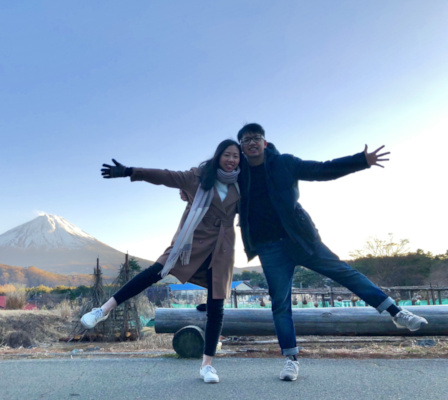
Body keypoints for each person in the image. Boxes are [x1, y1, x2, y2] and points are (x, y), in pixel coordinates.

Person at [235, 123, 428, 382]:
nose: (251, 142)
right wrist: (187, 191)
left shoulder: (284, 163)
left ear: (265, 142)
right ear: (241, 146)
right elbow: (212, 185)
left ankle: (397, 313)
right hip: (269, 248)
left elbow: (322, 169)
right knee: (280, 304)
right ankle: (291, 360)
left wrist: (361, 160)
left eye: (256, 137)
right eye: (246, 140)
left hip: (302, 240)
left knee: (345, 272)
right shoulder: (238, 174)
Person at [81, 139, 243, 384]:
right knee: (155, 272)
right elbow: (165, 176)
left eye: (235, 156)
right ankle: (103, 310)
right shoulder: (197, 177)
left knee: (216, 306)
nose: (231, 160)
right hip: (191, 243)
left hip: (221, 249)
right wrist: (129, 171)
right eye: (227, 155)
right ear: (218, 156)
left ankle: (207, 365)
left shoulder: (242, 184)